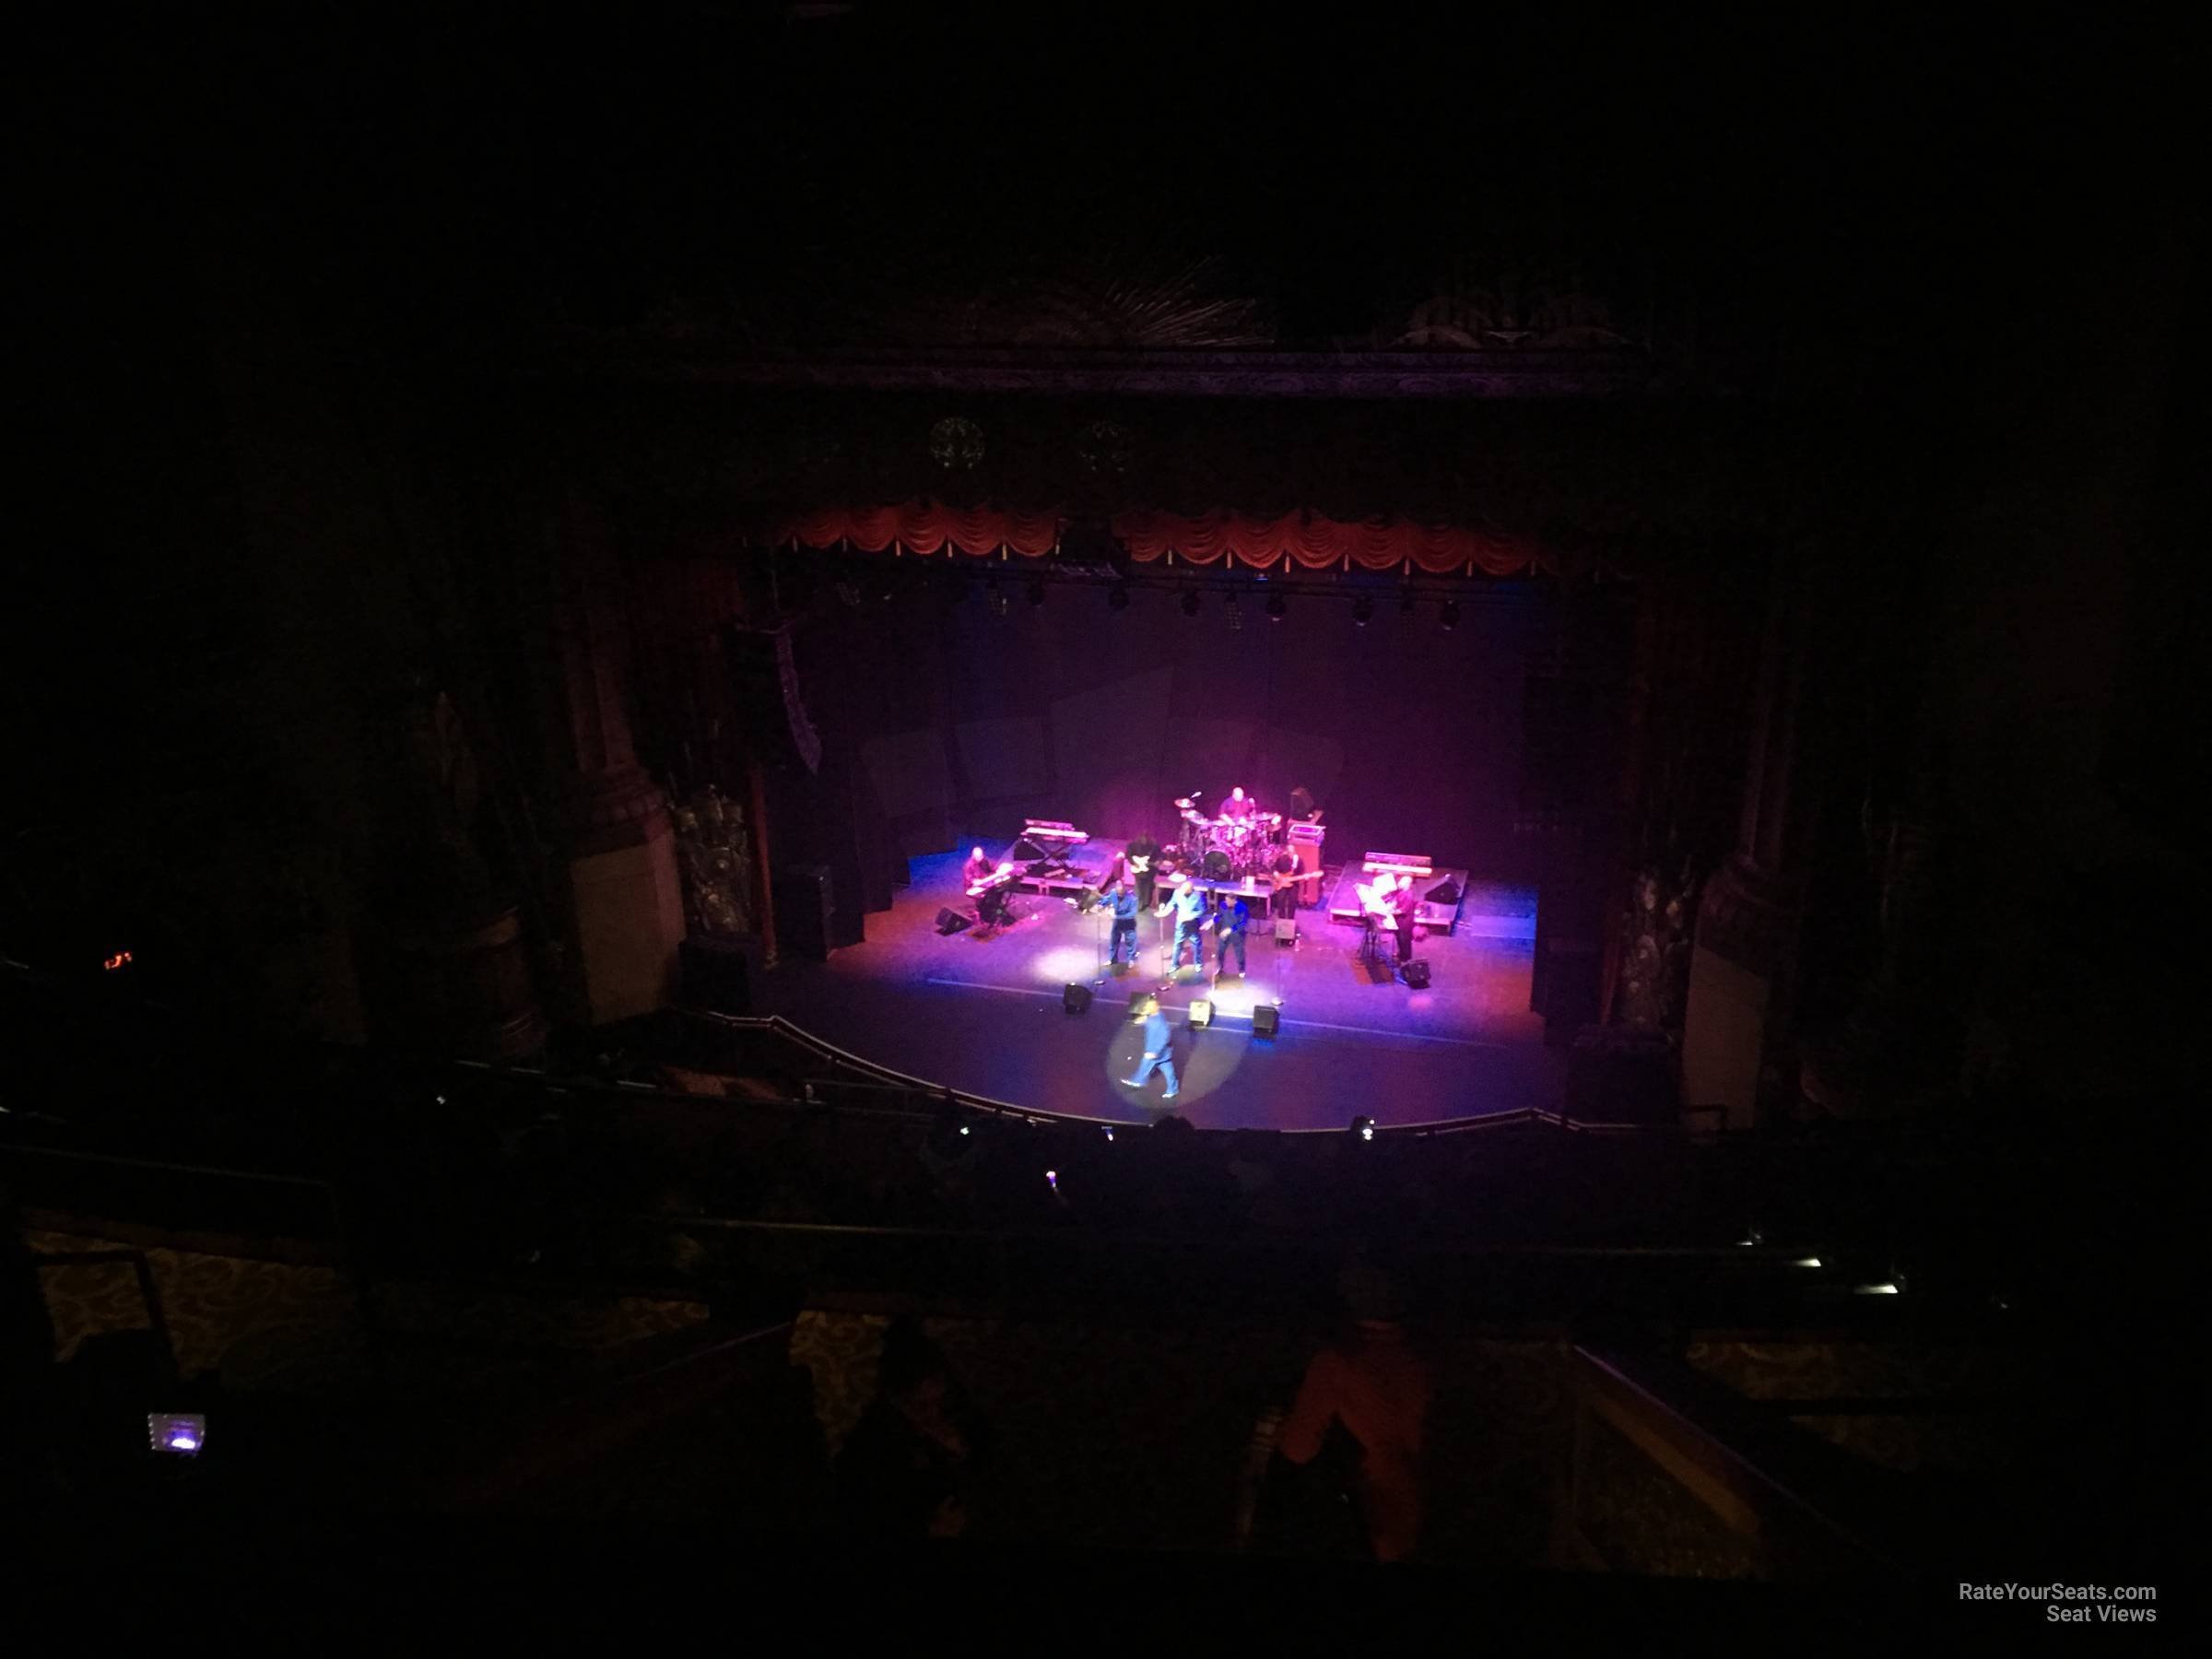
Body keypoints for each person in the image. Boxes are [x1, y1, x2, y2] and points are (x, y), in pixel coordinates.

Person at [1275, 1262, 1432, 1563]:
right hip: (1448, 1497)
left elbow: (1298, 1449)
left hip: (1384, 1511)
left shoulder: (1339, 1360)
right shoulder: (1427, 1353)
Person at [835, 1316, 987, 1539]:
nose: (934, 1414)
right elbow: (859, 1519)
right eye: (921, 1406)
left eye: (940, 1401)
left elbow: (989, 1460)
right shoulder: (870, 1445)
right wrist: (930, 1531)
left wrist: (964, 1451)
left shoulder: (957, 1413)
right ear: (894, 1399)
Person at [1120, 993, 1180, 1100]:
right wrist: (1142, 1021)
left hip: (1155, 1053)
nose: (1146, 1008)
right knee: (1168, 1072)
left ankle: (1138, 1081)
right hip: (1164, 1053)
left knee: (1145, 1065)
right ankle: (1173, 1089)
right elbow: (1149, 1022)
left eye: (1148, 1006)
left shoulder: (1158, 1022)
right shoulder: (1156, 1016)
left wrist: (1155, 1052)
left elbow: (1164, 1036)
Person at [1163, 875, 1207, 974]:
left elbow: (1202, 910)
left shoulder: (1198, 896)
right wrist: (1165, 912)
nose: (1183, 892)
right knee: (1177, 944)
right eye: (1182, 890)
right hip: (1181, 924)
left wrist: (1191, 916)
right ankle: (1174, 964)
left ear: (1191, 890)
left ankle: (1198, 964)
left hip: (1193, 924)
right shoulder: (1177, 892)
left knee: (1196, 944)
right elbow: (1172, 903)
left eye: (1185, 891)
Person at [964, 845, 1014, 928]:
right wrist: (976, 881)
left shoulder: (984, 861)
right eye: (978, 857)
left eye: (981, 856)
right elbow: (970, 880)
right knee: (986, 896)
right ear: (973, 856)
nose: (981, 858)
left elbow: (993, 867)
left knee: (997, 890)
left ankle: (995, 910)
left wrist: (1000, 869)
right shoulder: (968, 866)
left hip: (985, 883)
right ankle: (986, 915)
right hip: (973, 887)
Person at [1213, 888, 1251, 977]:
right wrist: (1214, 920)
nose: (1226, 902)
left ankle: (1241, 970)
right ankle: (1220, 967)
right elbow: (1220, 916)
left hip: (1237, 935)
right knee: (1220, 951)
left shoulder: (1242, 908)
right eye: (1226, 900)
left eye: (1228, 901)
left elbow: (1242, 924)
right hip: (1224, 933)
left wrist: (1231, 930)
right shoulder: (1223, 905)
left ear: (1234, 901)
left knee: (1239, 953)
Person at [1103, 877, 1140, 968]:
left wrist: (1116, 917)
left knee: (1130, 943)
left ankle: (1130, 960)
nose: (1119, 894)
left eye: (1121, 893)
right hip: (1117, 923)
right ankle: (1112, 959)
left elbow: (1132, 914)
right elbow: (1106, 899)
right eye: (1118, 893)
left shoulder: (1132, 899)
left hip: (1128, 924)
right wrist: (1101, 904)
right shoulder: (1113, 893)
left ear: (1124, 890)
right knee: (1114, 941)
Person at [1387, 873, 1422, 969]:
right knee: (1399, 938)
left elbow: (1403, 910)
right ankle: (1401, 954)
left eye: (1401, 881)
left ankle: (1406, 960)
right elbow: (1396, 901)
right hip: (1399, 921)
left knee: (1404, 941)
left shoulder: (1409, 896)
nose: (1399, 883)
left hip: (1405, 923)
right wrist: (1392, 905)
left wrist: (1390, 911)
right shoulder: (1401, 892)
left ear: (1407, 883)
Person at [1124, 830, 1162, 912]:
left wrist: (1158, 861)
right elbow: (1128, 855)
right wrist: (1134, 863)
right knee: (1139, 886)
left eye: (1146, 838)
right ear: (1140, 838)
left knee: (1148, 886)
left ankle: (1145, 903)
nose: (1144, 840)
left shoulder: (1154, 846)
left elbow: (1160, 856)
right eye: (1143, 838)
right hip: (1138, 870)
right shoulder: (1133, 845)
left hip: (1150, 870)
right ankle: (1138, 904)